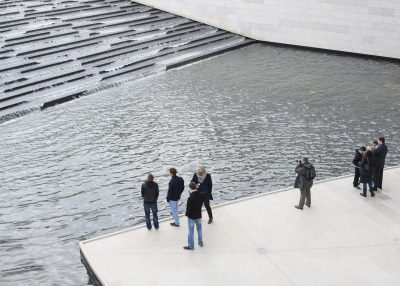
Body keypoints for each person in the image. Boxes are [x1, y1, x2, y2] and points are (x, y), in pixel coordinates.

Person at [183, 182, 204, 250]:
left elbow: (188, 209)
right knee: (199, 229)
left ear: (190, 188)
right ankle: (200, 242)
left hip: (191, 216)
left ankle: (191, 246)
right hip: (198, 214)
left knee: (191, 231)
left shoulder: (190, 198)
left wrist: (187, 215)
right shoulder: (201, 195)